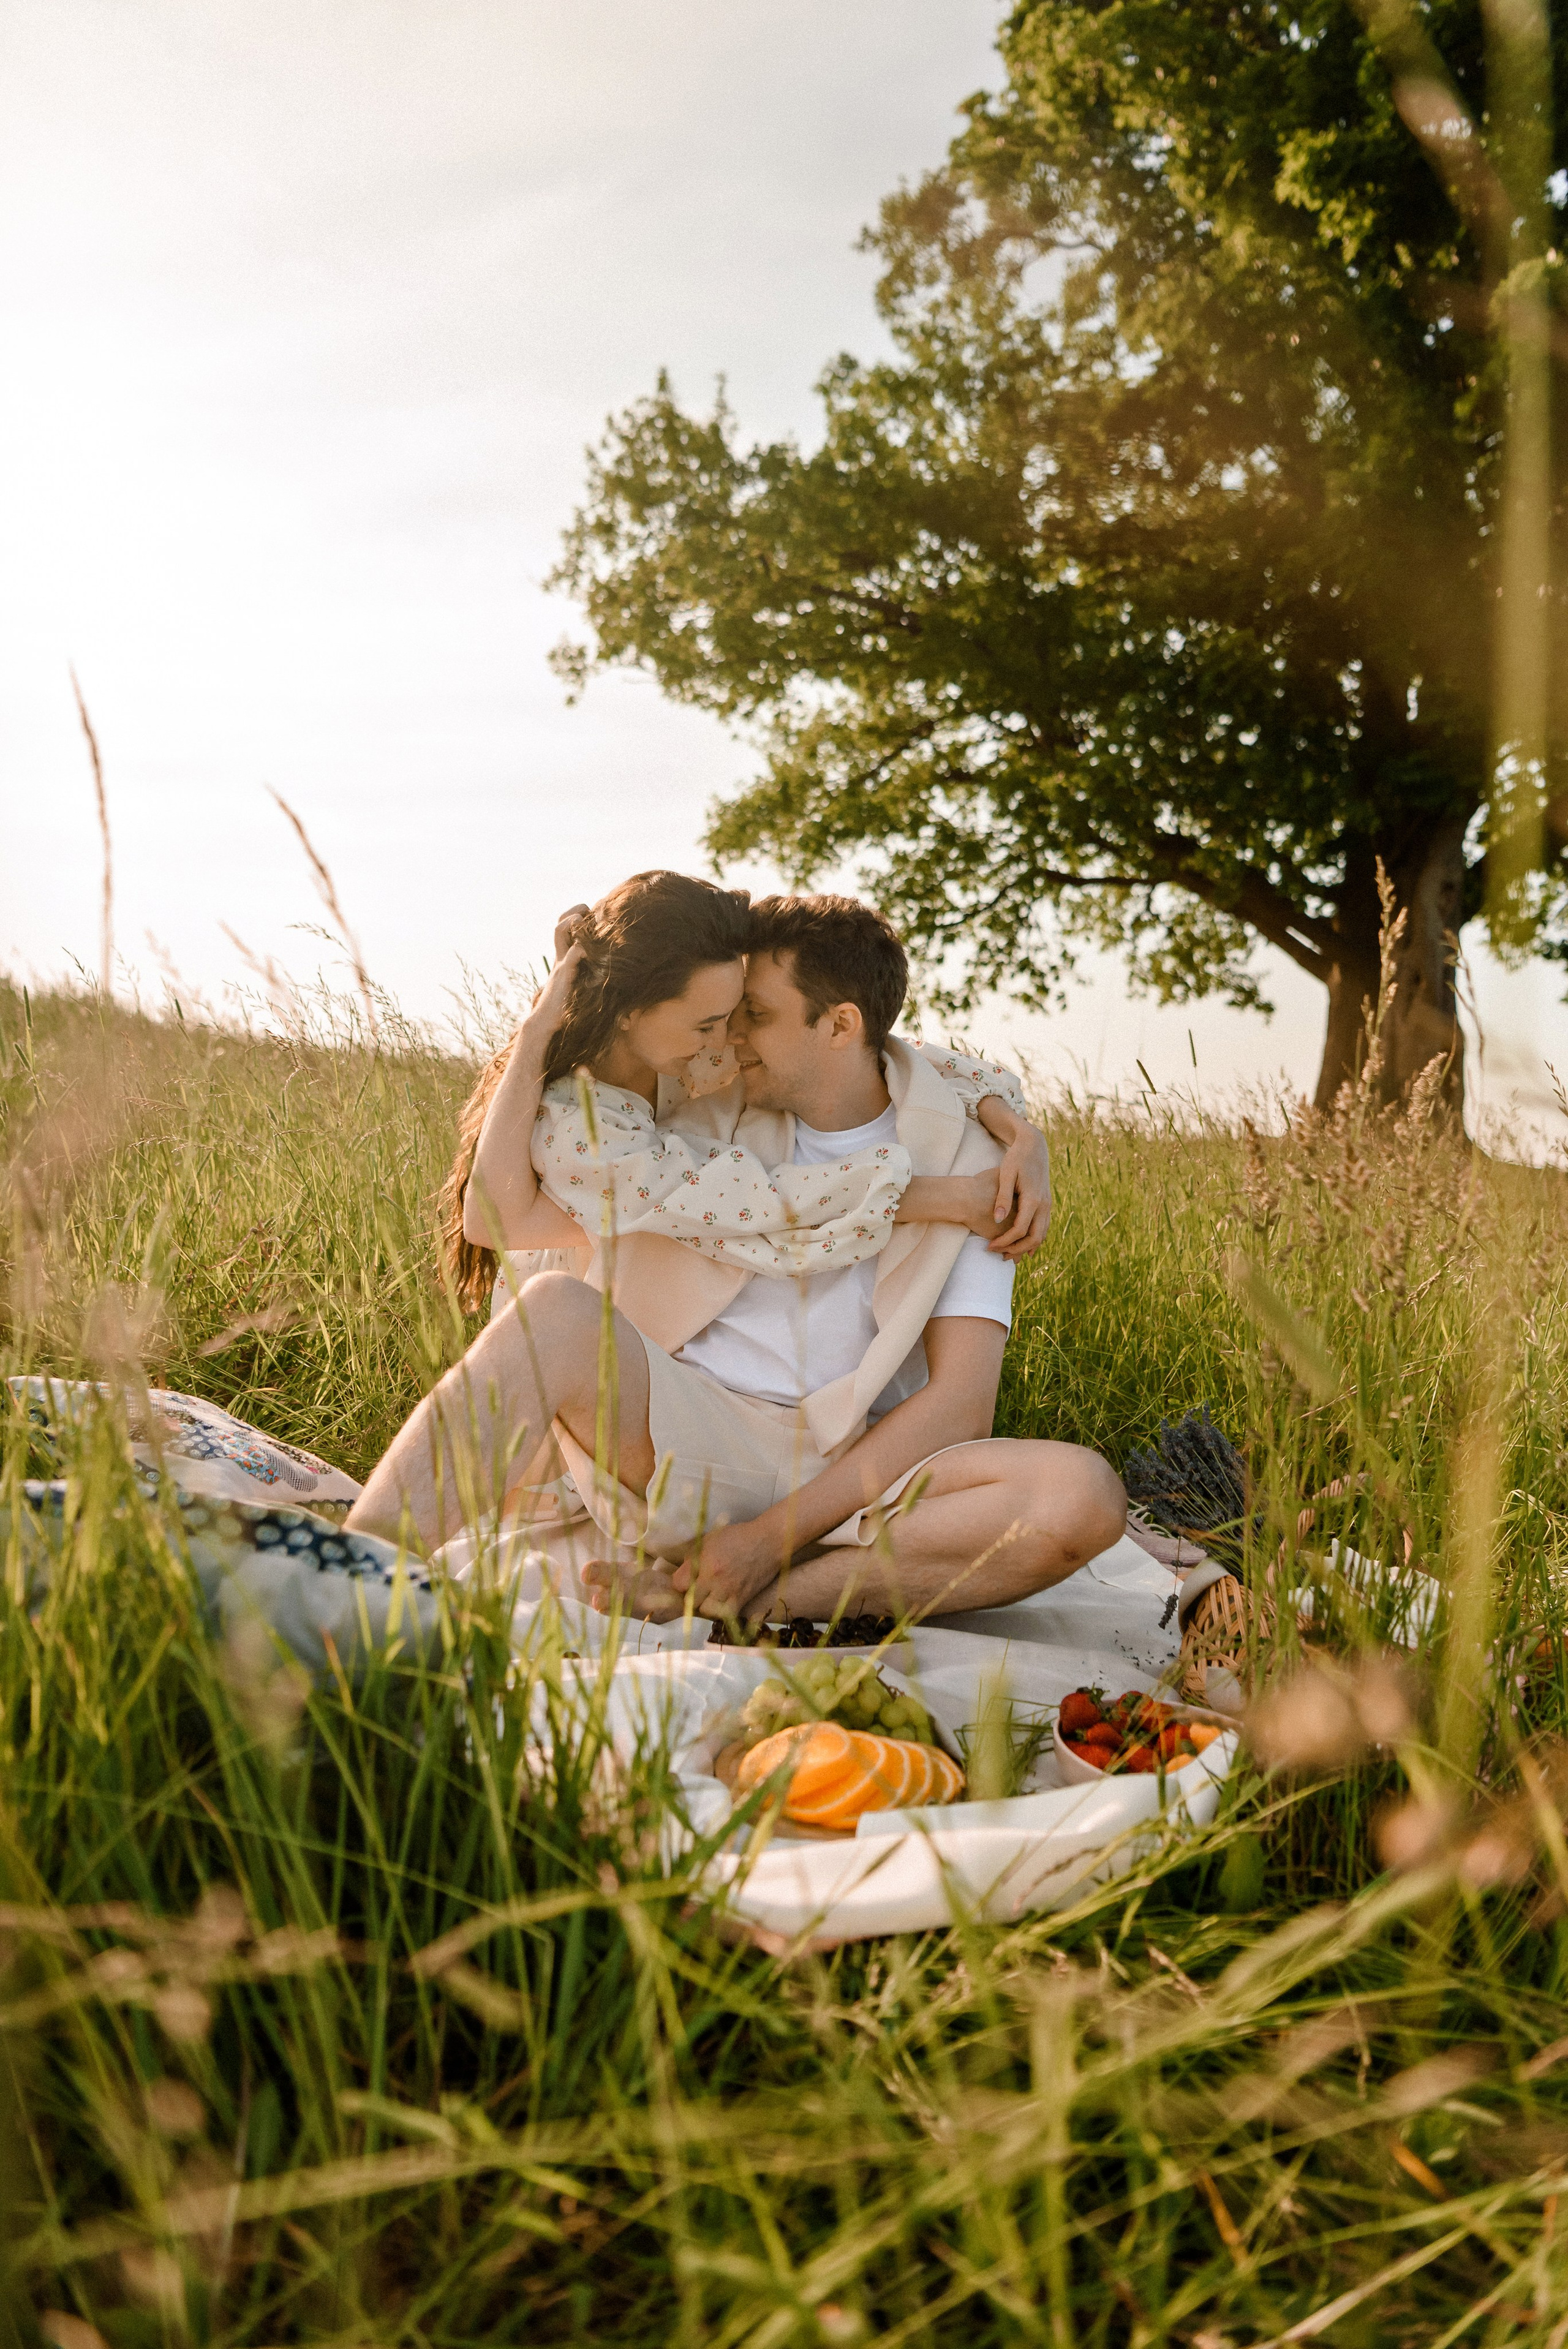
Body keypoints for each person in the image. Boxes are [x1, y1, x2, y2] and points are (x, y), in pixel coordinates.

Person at [350, 884, 1125, 1624]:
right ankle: (340, 1570)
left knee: (1079, 1497)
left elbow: (961, 1405)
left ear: (841, 1025)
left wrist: (768, 1541)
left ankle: (749, 1599)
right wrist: (541, 1025)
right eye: (723, 1018)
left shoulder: (973, 1162)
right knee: (551, 1313)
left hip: (844, 1470)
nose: (730, 1037)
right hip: (688, 1431)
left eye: (753, 1014)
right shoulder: (708, 1101)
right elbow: (505, 1211)